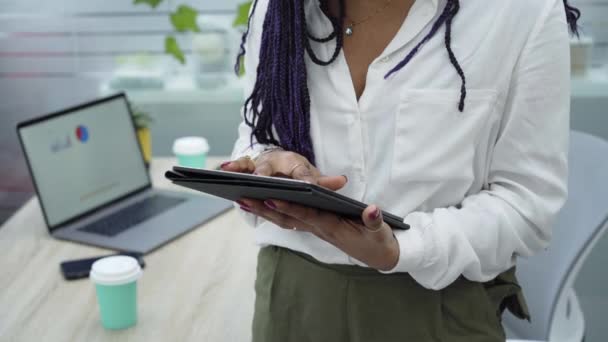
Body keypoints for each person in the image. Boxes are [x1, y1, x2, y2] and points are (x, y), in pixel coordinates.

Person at [221, 0, 580, 340]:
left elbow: (527, 203)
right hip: (291, 300)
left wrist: (404, 249)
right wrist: (265, 163)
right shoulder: (279, 10)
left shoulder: (519, 12)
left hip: (437, 310)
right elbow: (256, 132)